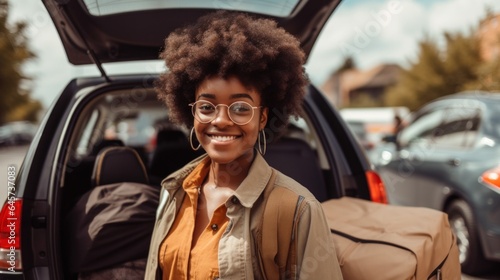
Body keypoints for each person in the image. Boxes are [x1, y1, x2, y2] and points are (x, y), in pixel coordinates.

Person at [145, 11, 343, 280]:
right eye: (206, 106)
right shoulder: (173, 191)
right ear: (192, 113)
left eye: (240, 107)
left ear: (262, 117)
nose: (221, 120)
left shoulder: (298, 210)